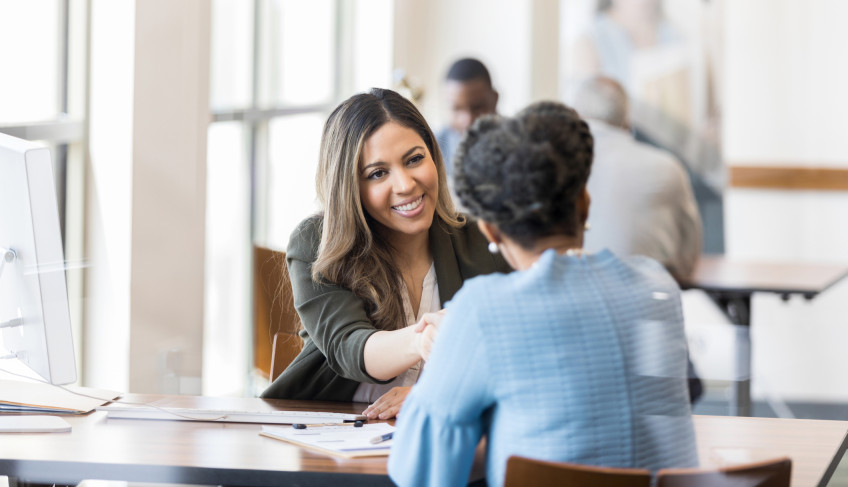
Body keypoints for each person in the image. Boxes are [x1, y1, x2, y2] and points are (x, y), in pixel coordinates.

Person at [388, 102, 698, 487]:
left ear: (489, 231)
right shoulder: (657, 286)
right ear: (584, 204)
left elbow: (419, 472)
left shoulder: (485, 311)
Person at [261, 88, 510, 420]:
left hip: (449, 440)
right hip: (333, 442)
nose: (405, 184)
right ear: (349, 186)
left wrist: (435, 393)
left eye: (414, 159)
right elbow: (349, 347)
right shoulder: (316, 243)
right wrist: (425, 338)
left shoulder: (482, 240)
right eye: (378, 173)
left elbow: (516, 357)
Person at [572, 75, 702, 282]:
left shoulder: (559, 166)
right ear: (627, 117)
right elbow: (688, 256)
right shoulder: (667, 167)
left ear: (576, 115)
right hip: (652, 299)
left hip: (574, 293)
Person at [435, 58, 499, 177]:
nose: (468, 120)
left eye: (477, 107)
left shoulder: (518, 144)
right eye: (457, 109)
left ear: (495, 99)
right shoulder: (435, 147)